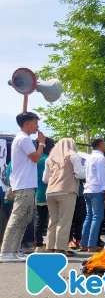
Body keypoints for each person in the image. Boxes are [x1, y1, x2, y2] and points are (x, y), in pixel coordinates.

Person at [1, 112, 46, 263]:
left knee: (24, 218)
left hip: (26, 185)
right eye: (35, 123)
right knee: (18, 217)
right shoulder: (24, 138)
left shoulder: (22, 138)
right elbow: (36, 158)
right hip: (24, 185)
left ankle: (14, 250)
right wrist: (41, 143)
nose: (37, 126)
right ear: (27, 124)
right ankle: (7, 251)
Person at [43, 138, 86, 257]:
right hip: (67, 191)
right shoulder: (73, 156)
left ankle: (50, 247)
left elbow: (45, 179)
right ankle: (61, 249)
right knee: (64, 221)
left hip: (50, 192)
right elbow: (80, 174)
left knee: (53, 221)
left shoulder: (49, 158)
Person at [81, 138, 105, 253]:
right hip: (97, 190)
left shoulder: (89, 157)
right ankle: (92, 244)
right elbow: (102, 176)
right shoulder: (100, 158)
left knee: (89, 217)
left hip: (87, 189)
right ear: (101, 144)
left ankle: (84, 244)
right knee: (97, 217)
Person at [34, 138, 55, 253]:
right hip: (50, 191)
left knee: (40, 218)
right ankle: (51, 243)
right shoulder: (48, 159)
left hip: (38, 191)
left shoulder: (36, 160)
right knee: (53, 219)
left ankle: (38, 243)